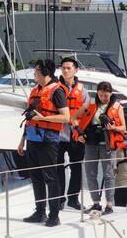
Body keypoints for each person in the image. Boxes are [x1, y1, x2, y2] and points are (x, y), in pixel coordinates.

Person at [17, 59, 69, 227]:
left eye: (36, 71)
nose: (34, 74)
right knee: (36, 177)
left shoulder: (57, 91)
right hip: (32, 138)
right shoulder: (36, 90)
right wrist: (22, 140)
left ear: (45, 72)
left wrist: (43, 118)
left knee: (50, 177)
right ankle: (40, 212)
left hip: (48, 140)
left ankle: (54, 215)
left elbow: (66, 117)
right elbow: (29, 117)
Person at [76, 81, 125, 215]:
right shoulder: (91, 105)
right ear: (97, 92)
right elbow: (76, 119)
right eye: (101, 94)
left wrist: (113, 127)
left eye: (106, 95)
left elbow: (124, 128)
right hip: (91, 143)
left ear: (110, 94)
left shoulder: (117, 106)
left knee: (108, 175)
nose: (103, 97)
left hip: (107, 145)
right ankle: (96, 204)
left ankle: (109, 205)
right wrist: (78, 134)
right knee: (90, 174)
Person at [57, 57, 88, 210]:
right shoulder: (55, 88)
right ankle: (59, 199)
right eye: (63, 67)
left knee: (76, 167)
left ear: (76, 70)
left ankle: (73, 199)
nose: (66, 70)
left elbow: (88, 113)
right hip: (58, 134)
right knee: (58, 167)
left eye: (69, 68)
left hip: (76, 134)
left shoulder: (82, 90)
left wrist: (84, 133)